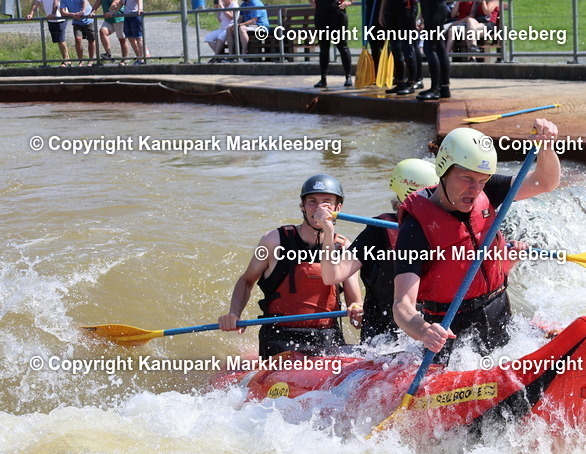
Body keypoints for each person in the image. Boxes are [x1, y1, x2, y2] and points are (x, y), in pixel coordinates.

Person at [392, 121, 560, 359]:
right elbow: (401, 305)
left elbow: (545, 183)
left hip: (499, 310)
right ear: (443, 170)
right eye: (467, 178)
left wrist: (547, 148)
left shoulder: (487, 190)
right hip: (451, 329)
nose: (475, 190)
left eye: (482, 180)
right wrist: (423, 331)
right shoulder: (415, 227)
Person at [219, 174, 364, 358]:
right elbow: (246, 281)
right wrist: (234, 314)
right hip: (280, 337)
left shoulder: (344, 247)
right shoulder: (273, 241)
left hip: (328, 337)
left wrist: (357, 312)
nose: (319, 208)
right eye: (312, 202)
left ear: (338, 208)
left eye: (326, 202)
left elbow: (354, 303)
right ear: (302, 206)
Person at [320, 159, 439, 344]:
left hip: (430, 332)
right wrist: (328, 232)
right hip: (381, 339)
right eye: (434, 197)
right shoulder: (378, 231)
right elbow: (332, 275)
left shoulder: (441, 230)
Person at [379, 0, 420, 96]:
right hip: (391, 9)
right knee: (395, 48)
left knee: (407, 47)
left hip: (406, 9)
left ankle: (411, 83)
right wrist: (381, 11)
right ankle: (400, 81)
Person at [311, 0, 353, 88]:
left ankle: (348, 77)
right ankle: (323, 79)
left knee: (342, 46)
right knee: (324, 48)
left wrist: (349, 2)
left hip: (337, 13)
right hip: (321, 13)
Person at [416, 0, 448, 100]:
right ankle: (444, 88)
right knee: (439, 48)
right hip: (433, 9)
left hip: (435, 10)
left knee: (429, 48)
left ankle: (435, 89)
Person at [26, 0, 71, 66]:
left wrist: (53, 13)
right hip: (50, 18)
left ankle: (66, 60)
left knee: (60, 39)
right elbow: (36, 3)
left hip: (60, 17)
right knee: (57, 40)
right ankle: (67, 59)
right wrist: (31, 14)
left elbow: (56, 2)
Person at [91, 0, 128, 65]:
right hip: (108, 19)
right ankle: (108, 53)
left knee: (122, 40)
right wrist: (92, 12)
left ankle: (124, 60)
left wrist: (110, 12)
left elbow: (116, 2)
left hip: (119, 18)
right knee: (103, 31)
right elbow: (98, 2)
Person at [61, 0, 96, 65]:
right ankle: (81, 60)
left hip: (88, 19)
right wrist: (73, 14)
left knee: (91, 40)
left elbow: (84, 2)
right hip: (77, 21)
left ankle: (91, 60)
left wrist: (82, 12)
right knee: (78, 39)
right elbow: (62, 12)